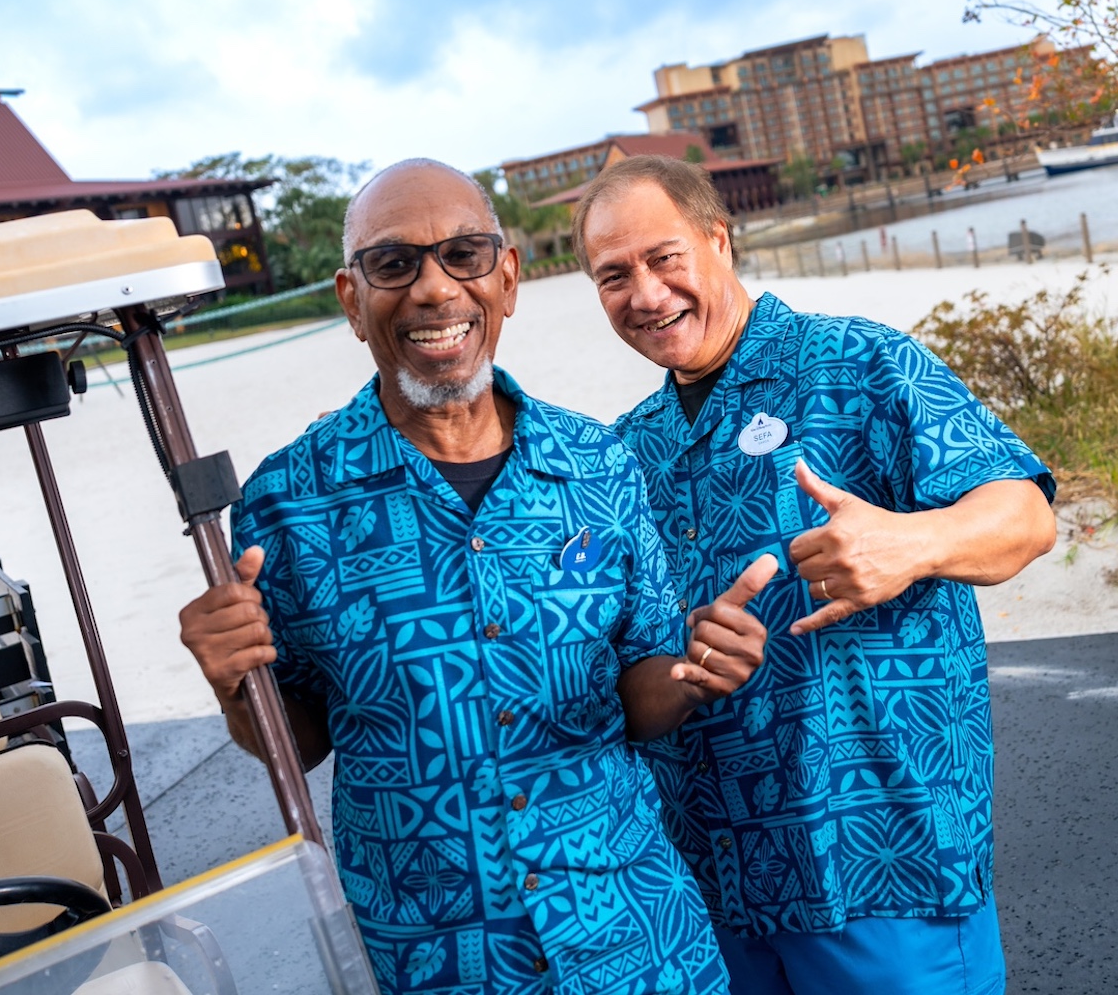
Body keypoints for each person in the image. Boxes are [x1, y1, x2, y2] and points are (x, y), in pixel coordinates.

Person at [177, 159, 779, 995]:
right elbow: (299, 741)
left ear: (507, 280)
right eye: (394, 264)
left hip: (637, 937)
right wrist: (233, 684)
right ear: (352, 299)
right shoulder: (287, 503)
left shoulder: (598, 463)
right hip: (441, 959)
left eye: (464, 255)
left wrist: (691, 673)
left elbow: (639, 685)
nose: (434, 289)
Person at [572, 156, 1059, 995]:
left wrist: (914, 542)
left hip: (882, 864)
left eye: (664, 258)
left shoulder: (859, 362)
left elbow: (1025, 517)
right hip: (709, 882)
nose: (646, 294)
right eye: (614, 276)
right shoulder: (624, 450)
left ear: (718, 240)